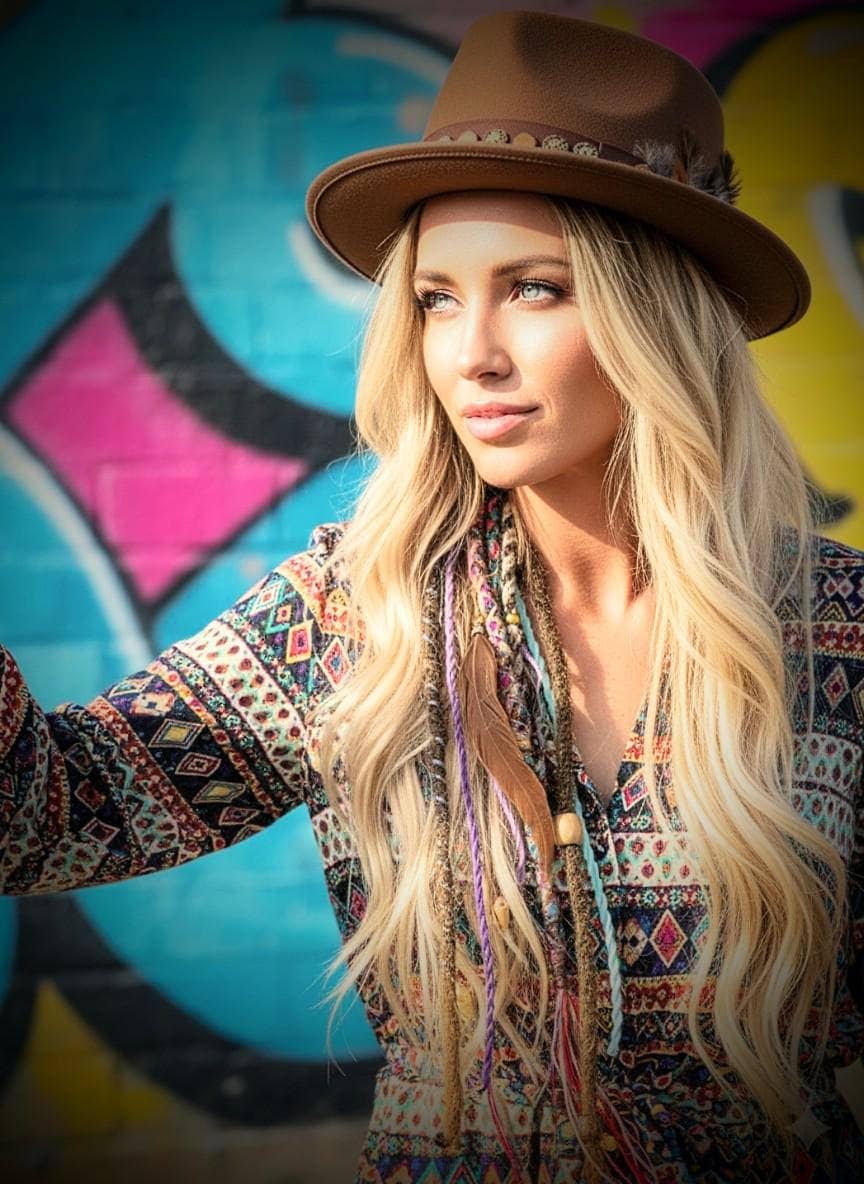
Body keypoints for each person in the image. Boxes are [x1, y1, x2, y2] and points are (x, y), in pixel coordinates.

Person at [1, 9, 862, 1183]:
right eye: (437, 297)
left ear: (658, 311)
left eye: (536, 289)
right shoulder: (359, 610)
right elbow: (47, 810)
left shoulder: (835, 628)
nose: (470, 354)